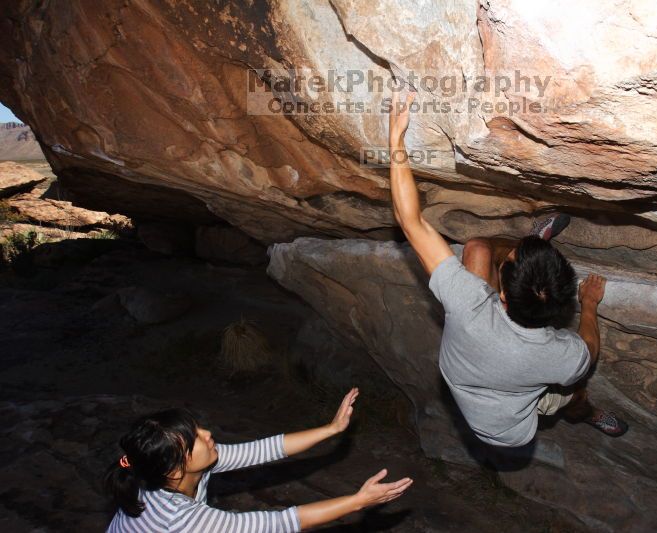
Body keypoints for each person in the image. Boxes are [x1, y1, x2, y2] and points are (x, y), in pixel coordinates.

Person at [387, 89, 628, 448]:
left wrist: (395, 137)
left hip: (496, 405)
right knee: (575, 391)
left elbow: (411, 222)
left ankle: (588, 415)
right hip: (506, 406)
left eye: (514, 257)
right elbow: (589, 348)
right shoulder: (560, 355)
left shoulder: (468, 305)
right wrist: (589, 305)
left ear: (500, 293)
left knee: (477, 249)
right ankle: (586, 410)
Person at [105, 388, 413, 532]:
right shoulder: (180, 520)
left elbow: (263, 449)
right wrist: (358, 501)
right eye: (194, 439)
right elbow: (279, 523)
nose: (207, 433)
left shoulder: (167, 472)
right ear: (174, 469)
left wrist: (331, 429)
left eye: (196, 427)